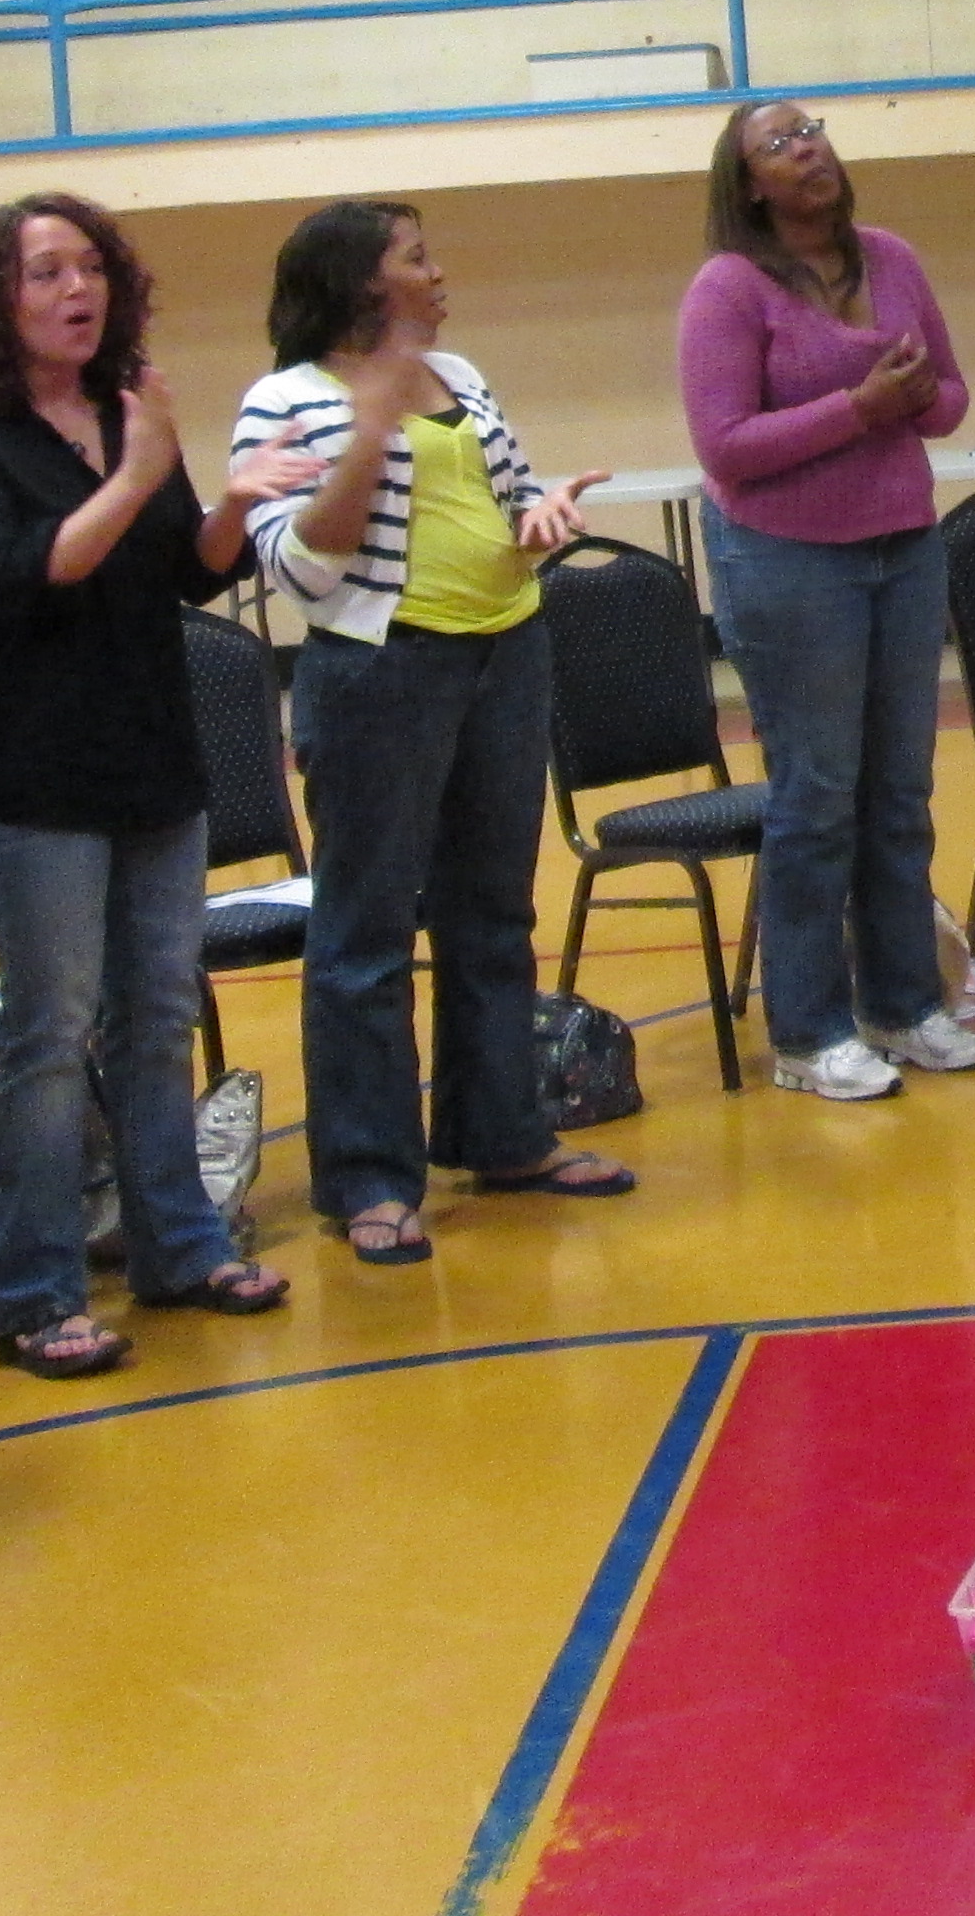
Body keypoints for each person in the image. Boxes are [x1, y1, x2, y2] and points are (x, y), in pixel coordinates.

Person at [0, 194, 306, 1378]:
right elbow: (23, 576)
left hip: (150, 762)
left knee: (158, 1023)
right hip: (31, 781)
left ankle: (177, 1247)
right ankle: (31, 1288)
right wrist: (137, 474)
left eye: (89, 268)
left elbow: (186, 576)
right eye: (43, 274)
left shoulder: (127, 415)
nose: (74, 290)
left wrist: (233, 499)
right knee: (49, 1034)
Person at [229, 202, 632, 1265]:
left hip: (506, 648)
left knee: (493, 912)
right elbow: (304, 565)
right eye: (416, 257)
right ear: (363, 284)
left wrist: (540, 520)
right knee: (364, 931)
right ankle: (368, 1176)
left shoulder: (464, 374)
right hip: (380, 671)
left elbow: (498, 514)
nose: (439, 271)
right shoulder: (285, 401)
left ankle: (502, 1137)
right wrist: (370, 423)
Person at [678, 100, 975, 1101]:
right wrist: (861, 407)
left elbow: (948, 396)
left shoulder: (890, 256)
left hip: (903, 547)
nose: (806, 146)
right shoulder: (726, 289)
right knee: (815, 801)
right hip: (788, 560)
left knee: (898, 796)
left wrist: (910, 398)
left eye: (810, 129)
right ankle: (809, 1032)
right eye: (779, 143)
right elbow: (725, 447)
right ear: (750, 185)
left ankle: (905, 1006)